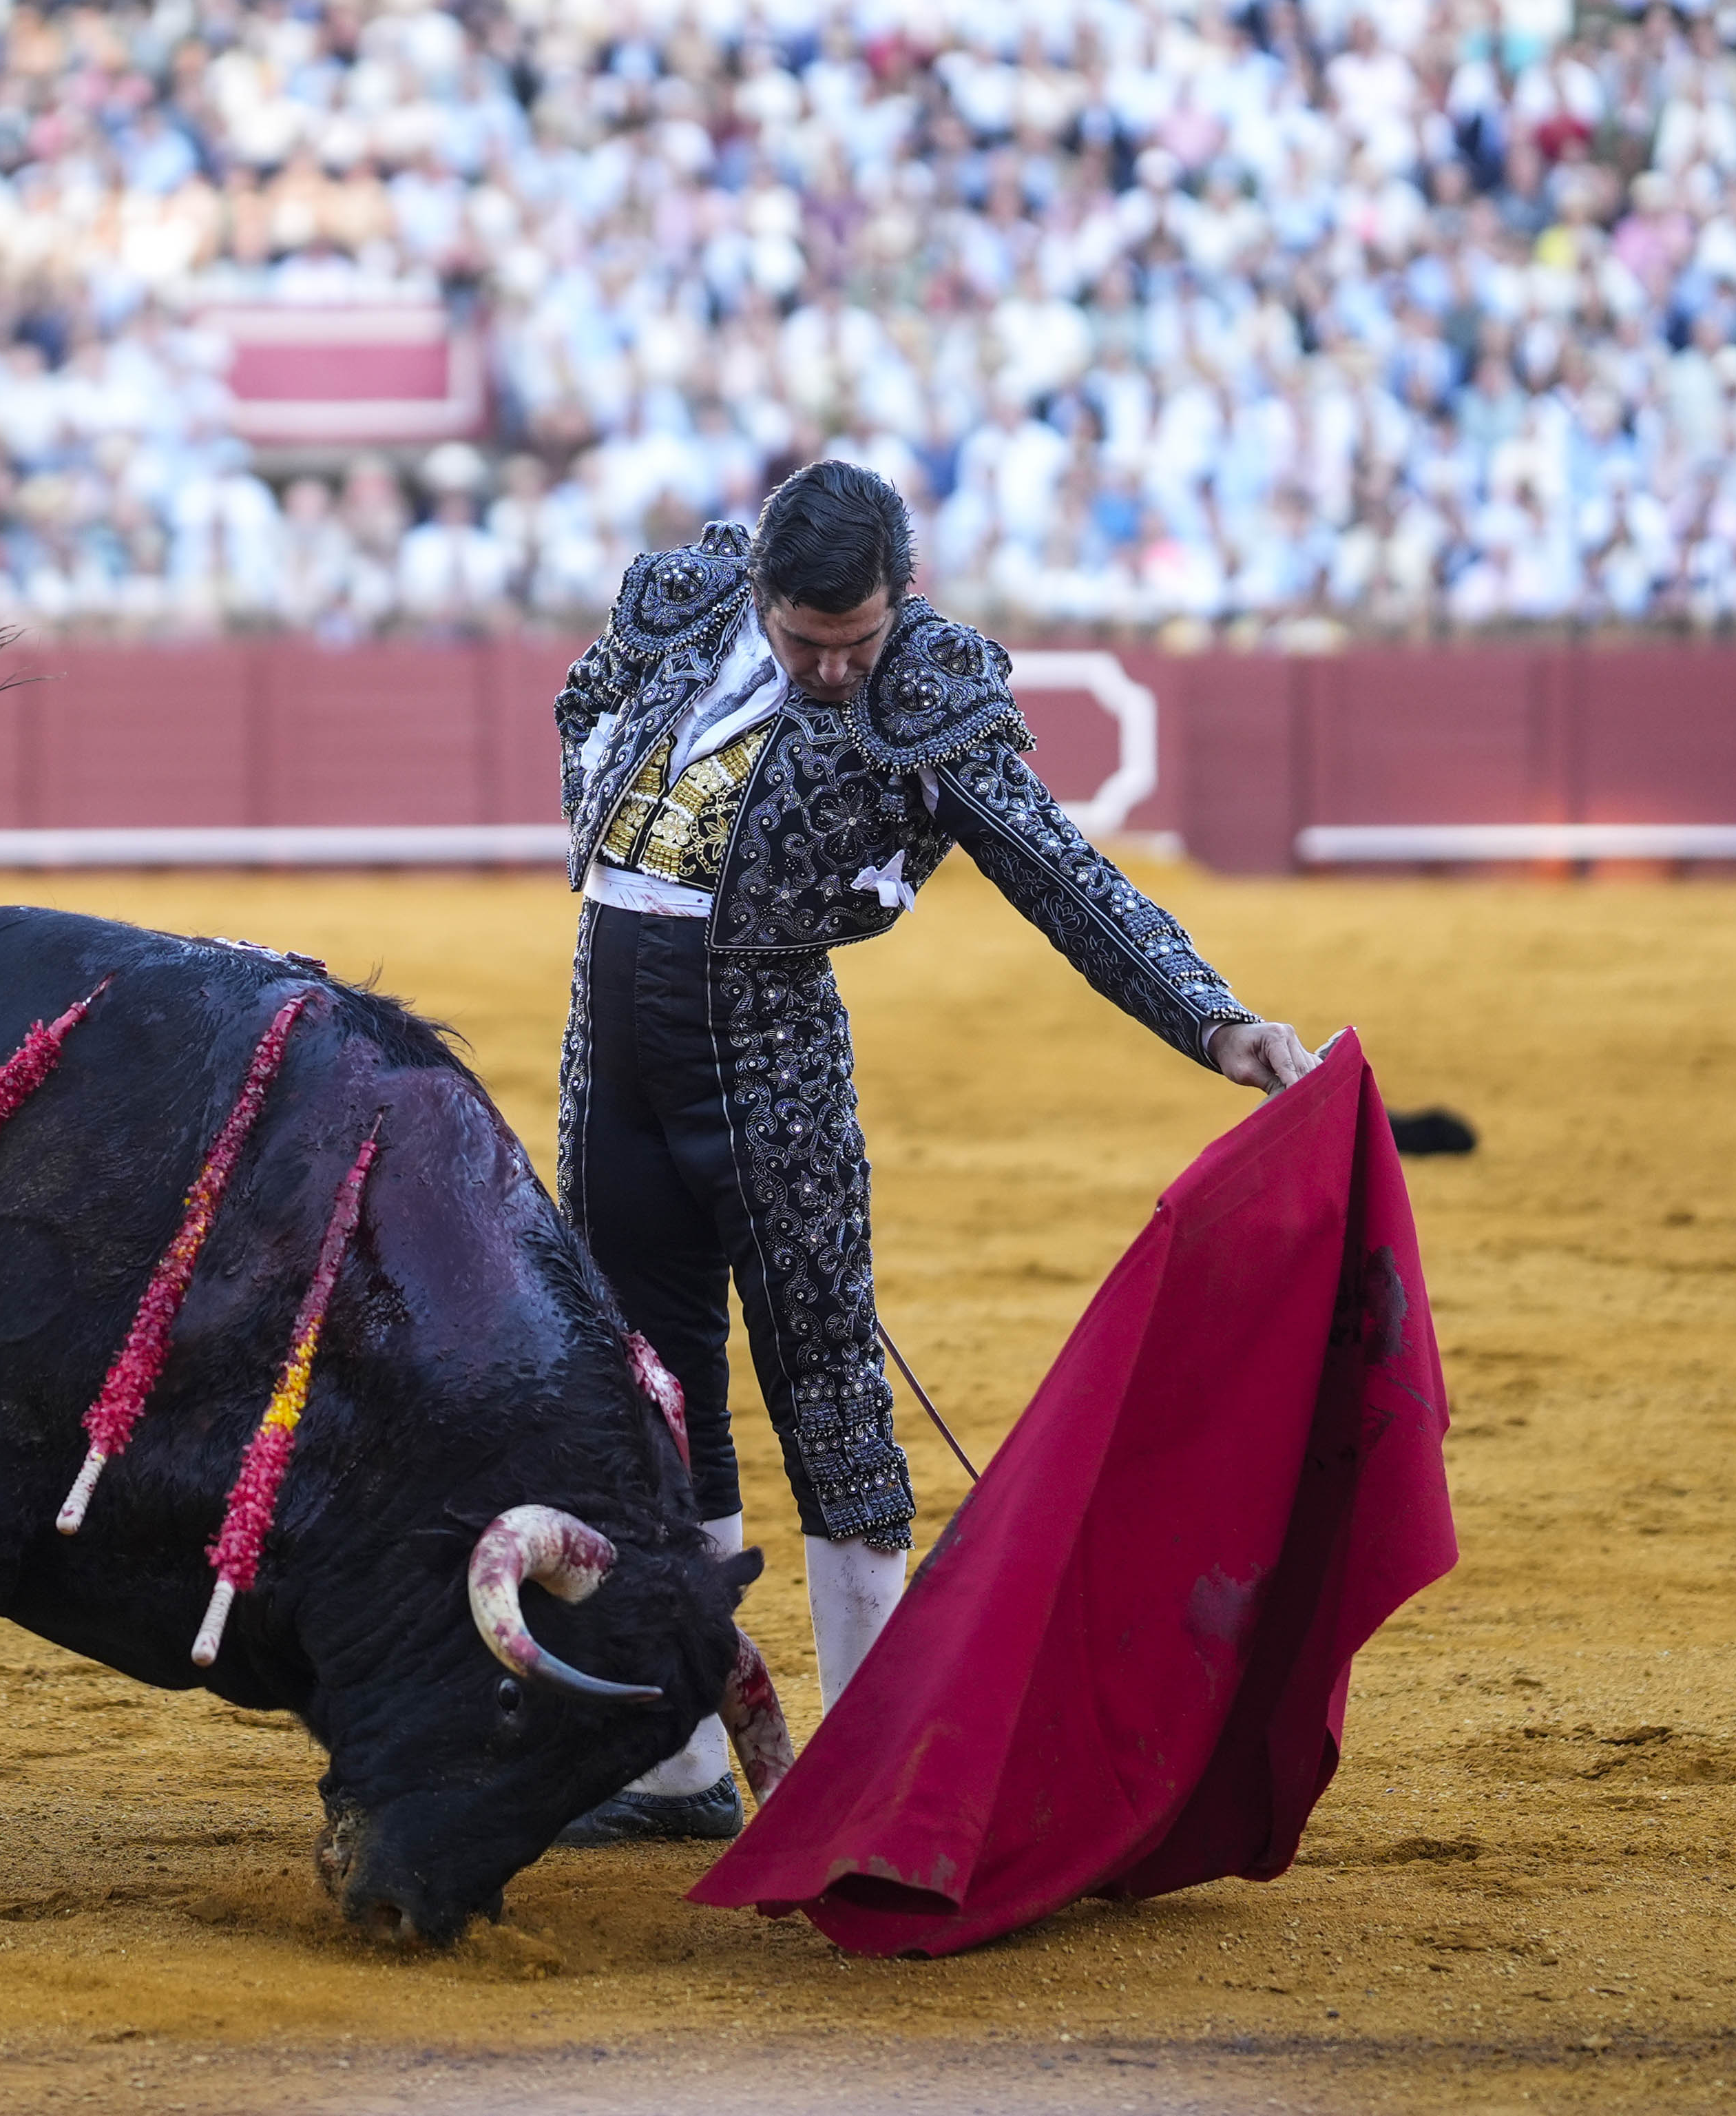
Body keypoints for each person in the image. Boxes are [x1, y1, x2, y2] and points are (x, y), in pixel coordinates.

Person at [548, 460, 1319, 1843]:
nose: (835, 671)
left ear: (904, 601)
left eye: (858, 643)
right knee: (645, 1399)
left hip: (766, 1064)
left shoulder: (932, 693)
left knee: (830, 1398)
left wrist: (1214, 1021)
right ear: (762, 600)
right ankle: (676, 1767)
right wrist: (598, 835)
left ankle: (882, 1772)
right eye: (804, 645)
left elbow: (1061, 872)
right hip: (611, 1057)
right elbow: (579, 704)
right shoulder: (679, 606)